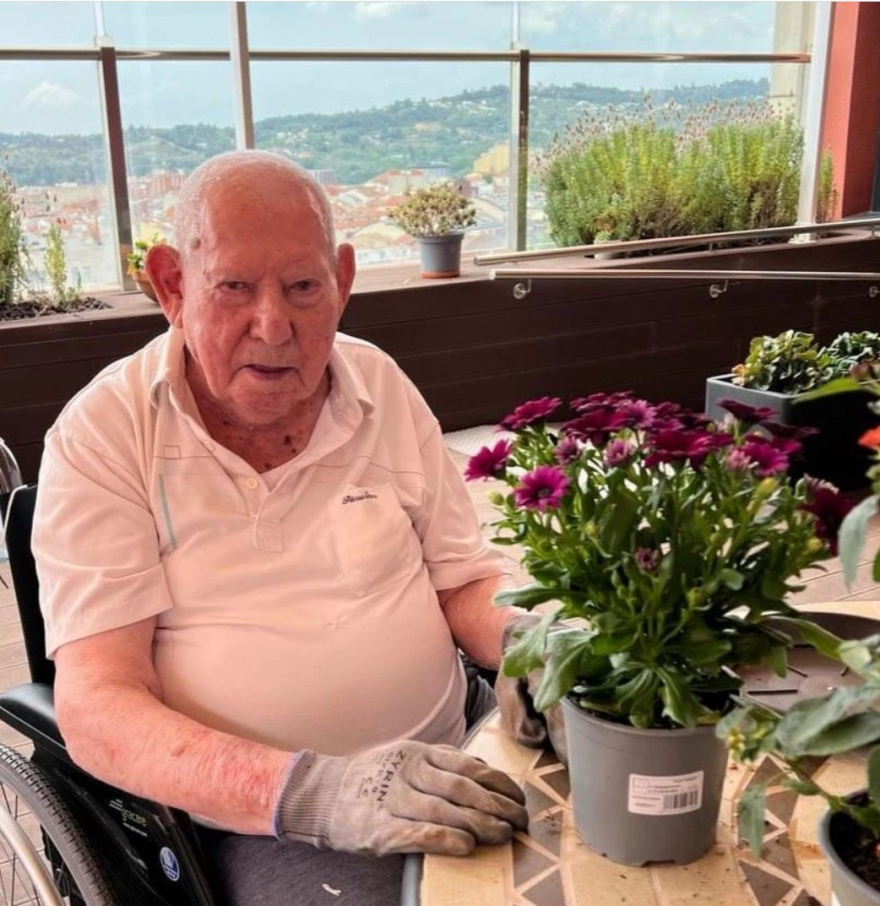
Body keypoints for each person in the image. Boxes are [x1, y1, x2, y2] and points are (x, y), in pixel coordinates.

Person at [31, 151, 560, 906]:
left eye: (304, 287)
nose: (273, 326)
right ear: (173, 285)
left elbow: (464, 580)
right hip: (265, 822)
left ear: (342, 282)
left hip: (459, 755)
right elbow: (99, 705)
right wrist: (313, 793)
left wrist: (529, 644)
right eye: (235, 287)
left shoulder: (380, 385)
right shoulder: (105, 432)